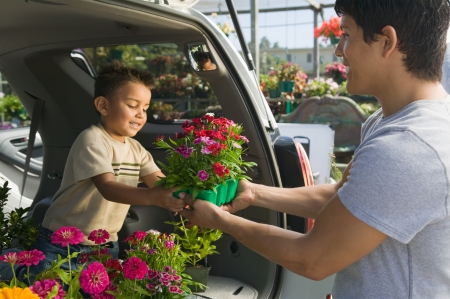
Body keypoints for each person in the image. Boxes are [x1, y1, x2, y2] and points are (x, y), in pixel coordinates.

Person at [180, 1, 450, 298]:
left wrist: (220, 220)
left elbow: (313, 258)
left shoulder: (407, 146)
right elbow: (342, 197)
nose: (338, 50)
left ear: (387, 41)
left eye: (346, 35)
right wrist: (255, 193)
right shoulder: (399, 122)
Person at [12, 61, 186, 281]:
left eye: (145, 108)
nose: (141, 114)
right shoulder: (92, 140)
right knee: (48, 290)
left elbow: (161, 184)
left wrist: (186, 197)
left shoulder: (136, 149)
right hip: (63, 241)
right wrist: (154, 197)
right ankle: (12, 266)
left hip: (104, 244)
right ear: (103, 106)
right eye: (133, 105)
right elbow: (108, 187)